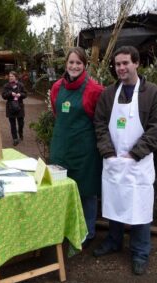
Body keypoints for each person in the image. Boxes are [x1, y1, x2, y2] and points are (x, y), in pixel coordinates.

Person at [93, 46, 157, 275]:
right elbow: (100, 124)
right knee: (115, 201)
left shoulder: (153, 94)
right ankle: (114, 241)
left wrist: (135, 153)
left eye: (125, 63)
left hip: (138, 163)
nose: (121, 68)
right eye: (117, 64)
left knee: (139, 207)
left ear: (136, 63)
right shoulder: (108, 94)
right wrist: (108, 152)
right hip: (113, 160)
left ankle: (140, 252)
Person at [49, 47, 104, 248]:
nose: (74, 66)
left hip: (85, 150)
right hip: (61, 146)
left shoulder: (95, 90)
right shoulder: (56, 87)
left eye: (78, 63)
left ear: (85, 66)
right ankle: (64, 229)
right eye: (71, 62)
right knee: (61, 189)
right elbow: (57, 112)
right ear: (66, 65)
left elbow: (101, 120)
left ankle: (87, 233)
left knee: (87, 192)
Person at [1, 71, 27, 146]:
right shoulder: (6, 86)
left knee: (21, 123)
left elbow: (25, 94)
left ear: (16, 77)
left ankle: (20, 132)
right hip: (10, 106)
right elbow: (3, 96)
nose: (10, 77)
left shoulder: (20, 85)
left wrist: (20, 94)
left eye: (12, 76)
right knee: (12, 124)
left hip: (19, 106)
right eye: (9, 76)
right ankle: (15, 138)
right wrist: (10, 93)